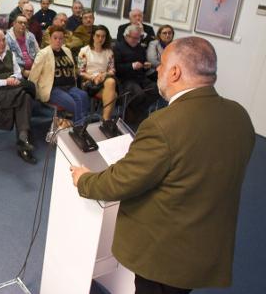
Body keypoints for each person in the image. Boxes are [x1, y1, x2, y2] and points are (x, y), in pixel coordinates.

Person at [71, 37, 255, 294]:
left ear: (176, 72)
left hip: (164, 254)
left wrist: (84, 180)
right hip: (205, 246)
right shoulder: (240, 116)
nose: (157, 69)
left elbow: (122, 181)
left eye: (162, 64)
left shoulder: (164, 124)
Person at [0, 30, 36, 163]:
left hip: (12, 90)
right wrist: (6, 81)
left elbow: (18, 73)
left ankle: (23, 139)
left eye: (3, 39)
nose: (2, 43)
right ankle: (23, 139)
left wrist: (14, 78)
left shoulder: (10, 54)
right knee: (25, 95)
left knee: (24, 96)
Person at [29, 26, 90, 126]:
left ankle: (76, 125)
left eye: (61, 38)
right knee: (73, 104)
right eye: (55, 38)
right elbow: (33, 76)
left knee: (84, 96)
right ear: (50, 39)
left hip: (69, 87)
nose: (58, 41)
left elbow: (72, 70)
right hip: (53, 88)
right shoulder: (43, 54)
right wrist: (34, 94)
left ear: (64, 39)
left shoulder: (67, 51)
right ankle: (78, 126)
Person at [114, 24, 159, 129]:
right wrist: (131, 66)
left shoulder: (140, 48)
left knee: (157, 89)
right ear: (126, 36)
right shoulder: (118, 48)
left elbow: (142, 63)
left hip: (140, 77)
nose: (136, 40)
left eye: (138, 38)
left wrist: (145, 66)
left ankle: (134, 111)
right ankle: (133, 114)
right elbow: (116, 68)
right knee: (139, 94)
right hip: (125, 79)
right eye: (134, 38)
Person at [77, 25, 117, 125]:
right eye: (98, 36)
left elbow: (112, 70)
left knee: (110, 81)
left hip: (104, 81)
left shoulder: (109, 52)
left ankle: (105, 120)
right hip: (88, 82)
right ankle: (106, 121)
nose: (100, 39)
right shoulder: (84, 51)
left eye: (103, 36)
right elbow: (80, 72)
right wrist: (93, 77)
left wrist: (103, 75)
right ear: (93, 36)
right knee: (114, 94)